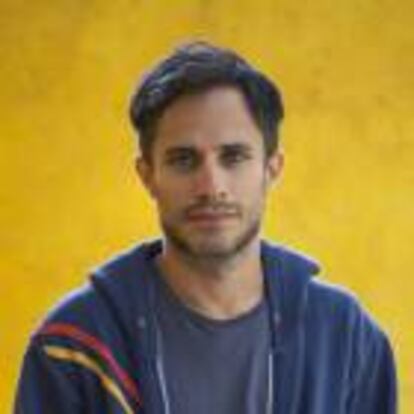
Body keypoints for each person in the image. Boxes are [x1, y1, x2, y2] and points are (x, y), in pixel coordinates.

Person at [14, 42, 397, 414]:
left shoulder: (346, 339)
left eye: (234, 157)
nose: (211, 186)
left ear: (271, 169)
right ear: (147, 175)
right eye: (184, 160)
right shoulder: (74, 345)